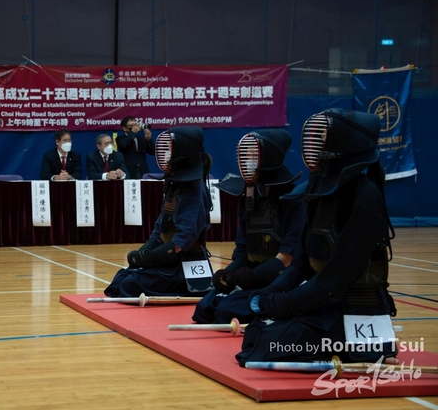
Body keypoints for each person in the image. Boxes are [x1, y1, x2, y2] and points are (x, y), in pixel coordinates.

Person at [236, 109, 397, 366]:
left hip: (356, 308)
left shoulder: (365, 198)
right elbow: (299, 265)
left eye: (322, 138)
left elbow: (334, 278)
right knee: (256, 332)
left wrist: (281, 303)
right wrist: (265, 295)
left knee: (267, 343)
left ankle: (370, 349)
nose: (316, 145)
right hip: (327, 304)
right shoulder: (319, 193)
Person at [192, 129, 306, 325]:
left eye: (254, 155)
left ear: (270, 156)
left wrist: (254, 276)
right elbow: (243, 249)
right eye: (246, 155)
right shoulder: (248, 197)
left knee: (226, 311)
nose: (248, 161)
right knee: (205, 308)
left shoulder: (293, 198)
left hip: (282, 278)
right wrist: (230, 274)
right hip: (254, 275)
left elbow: (287, 258)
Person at [104, 126, 214, 298]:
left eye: (170, 149)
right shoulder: (174, 184)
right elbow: (160, 226)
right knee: (121, 278)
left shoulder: (195, 189)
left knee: (129, 284)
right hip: (168, 259)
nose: (166, 154)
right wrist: (144, 252)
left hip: (184, 264)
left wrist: (152, 257)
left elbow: (183, 239)